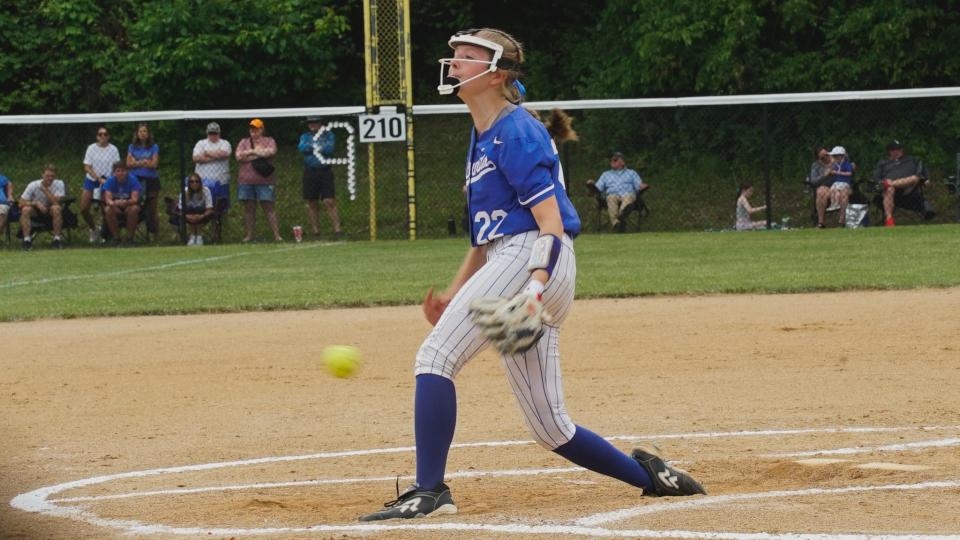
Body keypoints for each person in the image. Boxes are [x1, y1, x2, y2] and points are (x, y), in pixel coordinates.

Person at [359, 27, 704, 522]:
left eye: (467, 55)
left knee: (435, 359)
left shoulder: (514, 129)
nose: (454, 61)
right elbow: (485, 237)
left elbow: (550, 222)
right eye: (454, 53)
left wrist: (535, 287)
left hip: (533, 260)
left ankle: (429, 491)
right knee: (550, 426)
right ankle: (650, 476)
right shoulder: (483, 137)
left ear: (496, 73)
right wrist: (456, 291)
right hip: (519, 261)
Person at [235, 118, 281, 242]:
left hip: (264, 181)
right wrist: (256, 152)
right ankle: (249, 236)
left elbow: (270, 152)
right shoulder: (244, 142)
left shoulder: (269, 141)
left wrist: (250, 153)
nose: (253, 131)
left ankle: (277, 235)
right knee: (249, 209)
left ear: (262, 129)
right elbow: (238, 156)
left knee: (269, 207)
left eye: (256, 128)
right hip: (246, 181)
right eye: (251, 128)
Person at [298, 116, 342, 240]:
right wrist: (317, 147)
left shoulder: (329, 135)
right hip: (310, 171)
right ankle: (316, 231)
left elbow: (329, 148)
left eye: (314, 122)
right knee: (311, 201)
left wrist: (312, 147)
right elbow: (302, 148)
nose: (312, 125)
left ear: (320, 123)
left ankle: (337, 230)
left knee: (329, 201)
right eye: (310, 123)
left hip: (325, 171)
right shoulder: (305, 136)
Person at [874, 139, 929, 227]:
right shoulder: (883, 163)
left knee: (915, 178)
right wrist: (882, 183)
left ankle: (890, 183)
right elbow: (876, 178)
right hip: (889, 192)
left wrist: (927, 178)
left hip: (907, 191)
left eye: (900, 149)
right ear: (890, 151)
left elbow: (922, 167)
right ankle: (889, 219)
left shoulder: (911, 159)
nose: (900, 151)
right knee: (889, 188)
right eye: (896, 149)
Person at [586, 151, 647, 232]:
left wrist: (642, 186)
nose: (612, 161)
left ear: (623, 162)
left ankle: (622, 214)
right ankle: (617, 223)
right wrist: (592, 186)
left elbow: (639, 186)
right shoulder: (606, 174)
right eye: (612, 160)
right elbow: (598, 188)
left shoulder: (631, 173)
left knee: (628, 197)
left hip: (628, 194)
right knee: (611, 197)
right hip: (612, 195)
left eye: (615, 160)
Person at [192, 122, 232, 240]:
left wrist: (207, 154)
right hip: (203, 183)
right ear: (207, 133)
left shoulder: (225, 143)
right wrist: (215, 156)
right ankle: (198, 234)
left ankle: (217, 234)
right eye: (210, 133)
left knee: (221, 209)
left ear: (219, 133)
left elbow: (224, 154)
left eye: (215, 133)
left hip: (221, 181)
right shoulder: (201, 143)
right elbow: (196, 158)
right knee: (200, 207)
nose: (213, 135)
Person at [80, 126, 120, 243]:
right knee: (83, 208)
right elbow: (87, 166)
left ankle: (105, 234)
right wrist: (97, 178)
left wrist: (108, 180)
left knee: (105, 208)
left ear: (108, 136)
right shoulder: (91, 148)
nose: (103, 136)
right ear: (97, 136)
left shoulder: (113, 149)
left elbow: (116, 167)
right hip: (92, 180)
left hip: (108, 180)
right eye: (100, 134)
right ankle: (93, 229)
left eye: (105, 134)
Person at [19, 164, 67, 251]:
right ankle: (27, 241)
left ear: (55, 176)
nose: (50, 178)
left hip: (51, 211)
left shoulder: (59, 184)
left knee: (56, 208)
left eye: (52, 176)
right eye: (47, 176)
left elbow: (56, 202)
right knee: (25, 209)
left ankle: (57, 240)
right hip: (36, 211)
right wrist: (35, 203)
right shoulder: (33, 185)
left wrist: (45, 190)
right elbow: (21, 203)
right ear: (42, 175)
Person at [127, 123, 160, 240]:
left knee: (152, 208)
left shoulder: (154, 147)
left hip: (151, 180)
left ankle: (155, 236)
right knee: (135, 205)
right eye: (140, 131)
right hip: (135, 180)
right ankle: (131, 236)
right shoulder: (131, 147)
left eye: (145, 131)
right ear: (137, 133)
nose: (142, 133)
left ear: (148, 133)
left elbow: (154, 164)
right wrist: (145, 162)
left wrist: (137, 162)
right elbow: (129, 164)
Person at [101, 161, 142, 245]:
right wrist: (114, 203)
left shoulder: (133, 180)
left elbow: (135, 199)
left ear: (127, 171)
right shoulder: (110, 181)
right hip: (115, 207)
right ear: (114, 172)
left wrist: (126, 202)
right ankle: (116, 238)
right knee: (108, 209)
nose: (121, 173)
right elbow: (107, 199)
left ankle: (130, 238)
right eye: (118, 171)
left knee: (134, 209)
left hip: (129, 205)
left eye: (123, 171)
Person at [179, 173, 215, 246]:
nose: (194, 183)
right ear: (188, 183)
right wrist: (187, 216)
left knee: (198, 209)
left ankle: (199, 236)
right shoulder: (184, 192)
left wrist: (201, 216)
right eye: (191, 182)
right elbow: (181, 209)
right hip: (188, 214)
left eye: (196, 181)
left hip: (202, 214)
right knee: (190, 209)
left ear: (200, 183)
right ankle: (192, 236)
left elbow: (209, 208)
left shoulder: (206, 191)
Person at [827, 146, 853, 226]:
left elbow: (850, 173)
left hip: (845, 183)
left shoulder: (846, 164)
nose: (834, 158)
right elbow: (829, 172)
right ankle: (833, 204)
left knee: (839, 192)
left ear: (841, 156)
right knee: (833, 190)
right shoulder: (835, 164)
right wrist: (831, 166)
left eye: (836, 156)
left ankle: (837, 205)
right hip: (837, 182)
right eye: (833, 156)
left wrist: (839, 173)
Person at [808, 146, 834, 228]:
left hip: (839, 186)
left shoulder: (837, 160)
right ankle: (821, 222)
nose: (826, 158)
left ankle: (842, 222)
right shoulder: (816, 166)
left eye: (827, 155)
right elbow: (813, 181)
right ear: (818, 159)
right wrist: (824, 175)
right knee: (821, 192)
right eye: (822, 157)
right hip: (825, 187)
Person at [0, 172, 13, 238]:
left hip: (2, 204)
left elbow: (9, 183)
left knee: (2, 211)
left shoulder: (2, 178)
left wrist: (10, 195)